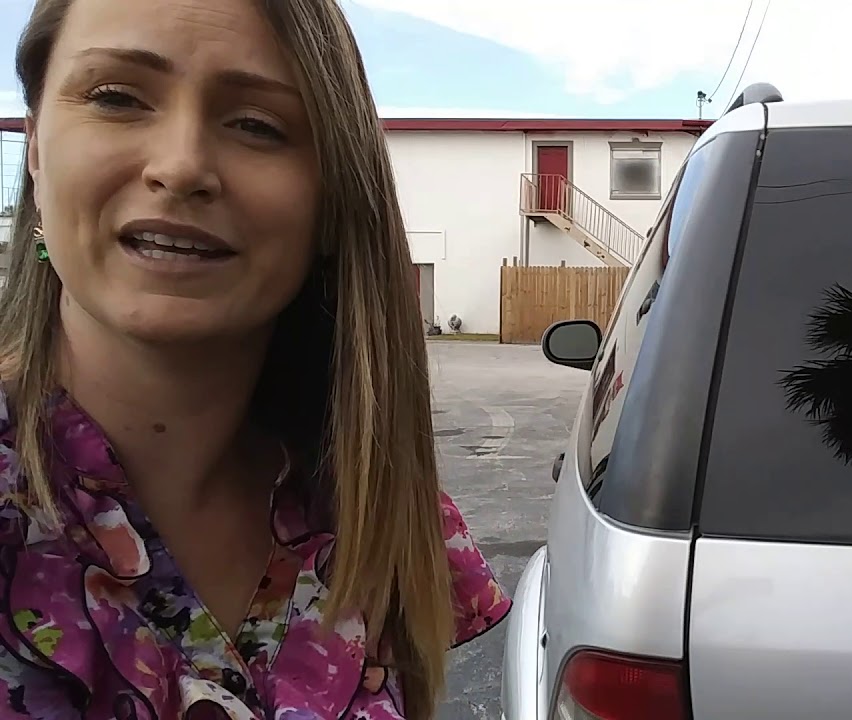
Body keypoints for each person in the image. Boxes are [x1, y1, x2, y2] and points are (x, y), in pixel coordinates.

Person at [0, 0, 511, 717]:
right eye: (116, 97)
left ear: (331, 199)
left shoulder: (375, 509)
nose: (181, 167)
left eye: (257, 125)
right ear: (35, 149)